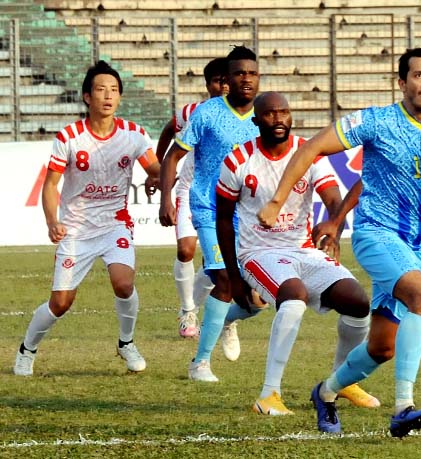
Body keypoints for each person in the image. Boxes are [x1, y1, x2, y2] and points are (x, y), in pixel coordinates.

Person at [257, 47, 421, 437]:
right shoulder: (376, 121)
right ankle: (404, 407)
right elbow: (311, 147)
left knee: (382, 347)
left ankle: (326, 392)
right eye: (418, 75)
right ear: (401, 82)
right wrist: (277, 199)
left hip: (416, 246)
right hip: (376, 234)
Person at [215, 91, 379, 416]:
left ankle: (343, 380)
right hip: (257, 252)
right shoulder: (237, 160)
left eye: (284, 112)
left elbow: (334, 199)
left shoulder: (310, 154)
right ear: (256, 120)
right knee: (294, 297)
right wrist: (234, 277)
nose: (279, 119)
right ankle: (268, 395)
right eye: (271, 113)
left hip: (302, 250)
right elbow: (222, 218)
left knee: (358, 301)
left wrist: (334, 224)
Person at [13, 60, 160, 376]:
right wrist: (53, 221)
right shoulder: (69, 136)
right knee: (61, 303)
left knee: (123, 282)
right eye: (100, 89)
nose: (108, 96)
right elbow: (50, 185)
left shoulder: (134, 135)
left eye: (114, 90)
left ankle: (126, 342)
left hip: (114, 223)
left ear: (119, 97)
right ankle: (27, 349)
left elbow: (155, 169)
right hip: (76, 229)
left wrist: (156, 177)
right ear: (86, 97)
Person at [159, 46, 263, 381]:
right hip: (209, 207)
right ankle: (199, 363)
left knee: (258, 299)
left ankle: (227, 319)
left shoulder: (265, 116)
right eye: (238, 73)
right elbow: (173, 156)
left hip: (247, 213)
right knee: (222, 278)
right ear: (227, 80)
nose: (245, 79)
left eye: (251, 73)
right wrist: (166, 198)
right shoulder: (206, 113)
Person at [155, 57, 229, 338]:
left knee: (217, 263)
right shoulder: (192, 112)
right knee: (186, 249)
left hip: (227, 196)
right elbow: (168, 130)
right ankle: (188, 312)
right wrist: (159, 166)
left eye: (226, 80)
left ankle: (199, 308)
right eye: (217, 81)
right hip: (191, 190)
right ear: (207, 84)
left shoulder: (247, 114)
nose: (222, 86)